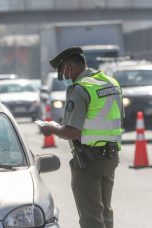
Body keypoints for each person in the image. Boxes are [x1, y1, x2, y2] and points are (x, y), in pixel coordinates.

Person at [40, 47, 124, 228]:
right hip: (111, 156)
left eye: (63, 73)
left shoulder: (80, 88)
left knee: (91, 217)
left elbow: (72, 131)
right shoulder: (111, 83)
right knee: (105, 212)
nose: (66, 78)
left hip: (89, 160)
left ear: (69, 67)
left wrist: (51, 128)